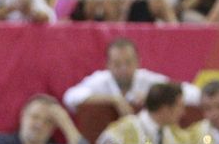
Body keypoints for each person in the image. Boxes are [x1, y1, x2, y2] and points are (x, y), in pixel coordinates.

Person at [62, 37, 190, 113]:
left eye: (128, 62)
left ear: (138, 62)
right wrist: (113, 99)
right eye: (117, 64)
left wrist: (154, 97)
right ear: (108, 65)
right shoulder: (100, 80)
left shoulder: (147, 79)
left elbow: (191, 93)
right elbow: (70, 97)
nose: (123, 69)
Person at [94, 82, 194, 144]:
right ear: (165, 109)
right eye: (180, 106)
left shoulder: (174, 134)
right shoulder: (124, 130)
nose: (183, 113)